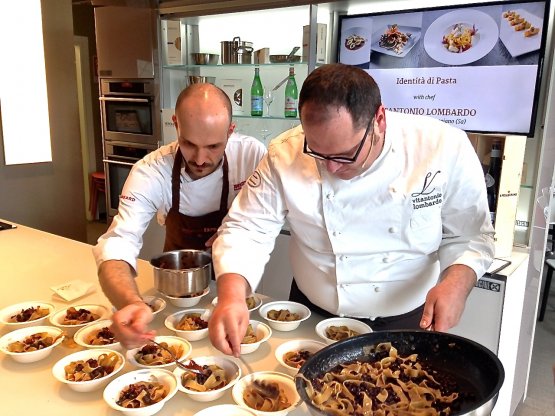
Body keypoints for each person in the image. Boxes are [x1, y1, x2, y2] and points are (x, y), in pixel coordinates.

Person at [208, 63, 495, 357]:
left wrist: (456, 285)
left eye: (345, 155)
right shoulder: (285, 153)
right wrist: (231, 296)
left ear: (379, 120)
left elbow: (471, 235)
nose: (331, 167)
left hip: (407, 321)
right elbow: (246, 229)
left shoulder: (443, 147)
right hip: (314, 318)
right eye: (317, 152)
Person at [93, 83, 267, 348]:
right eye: (188, 144)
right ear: (176, 125)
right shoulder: (151, 170)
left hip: (237, 290)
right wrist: (131, 303)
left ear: (231, 131)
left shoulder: (252, 155)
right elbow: (118, 242)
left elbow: (273, 212)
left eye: (213, 146)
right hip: (177, 294)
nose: (200, 158)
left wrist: (235, 227)